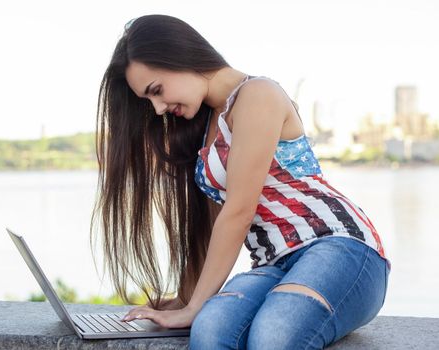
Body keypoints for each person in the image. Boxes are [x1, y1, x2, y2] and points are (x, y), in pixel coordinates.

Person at [89, 14, 391, 349]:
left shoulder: (258, 94)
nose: (158, 108)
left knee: (275, 332)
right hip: (276, 264)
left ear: (179, 56)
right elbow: (213, 223)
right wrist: (188, 300)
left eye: (156, 91)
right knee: (211, 328)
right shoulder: (205, 128)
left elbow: (239, 210)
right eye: (149, 101)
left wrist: (193, 306)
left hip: (341, 247)